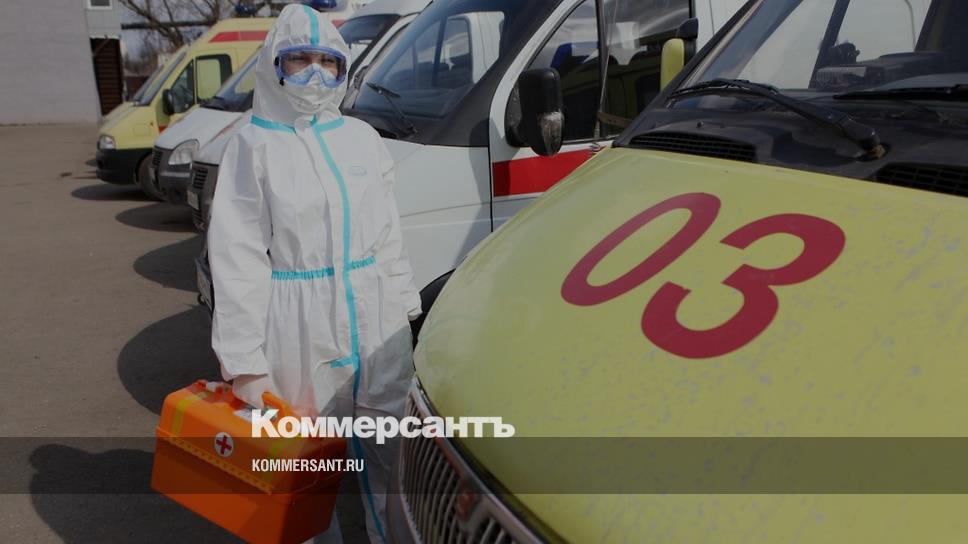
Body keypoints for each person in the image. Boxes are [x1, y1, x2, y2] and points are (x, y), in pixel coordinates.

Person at [207, 5, 421, 543]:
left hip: (375, 316)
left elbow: (387, 232)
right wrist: (244, 361)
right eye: (298, 60)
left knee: (388, 450)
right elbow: (238, 257)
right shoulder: (252, 146)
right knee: (303, 466)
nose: (315, 74)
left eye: (328, 62)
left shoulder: (361, 138)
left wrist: (402, 304)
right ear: (273, 66)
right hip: (298, 326)